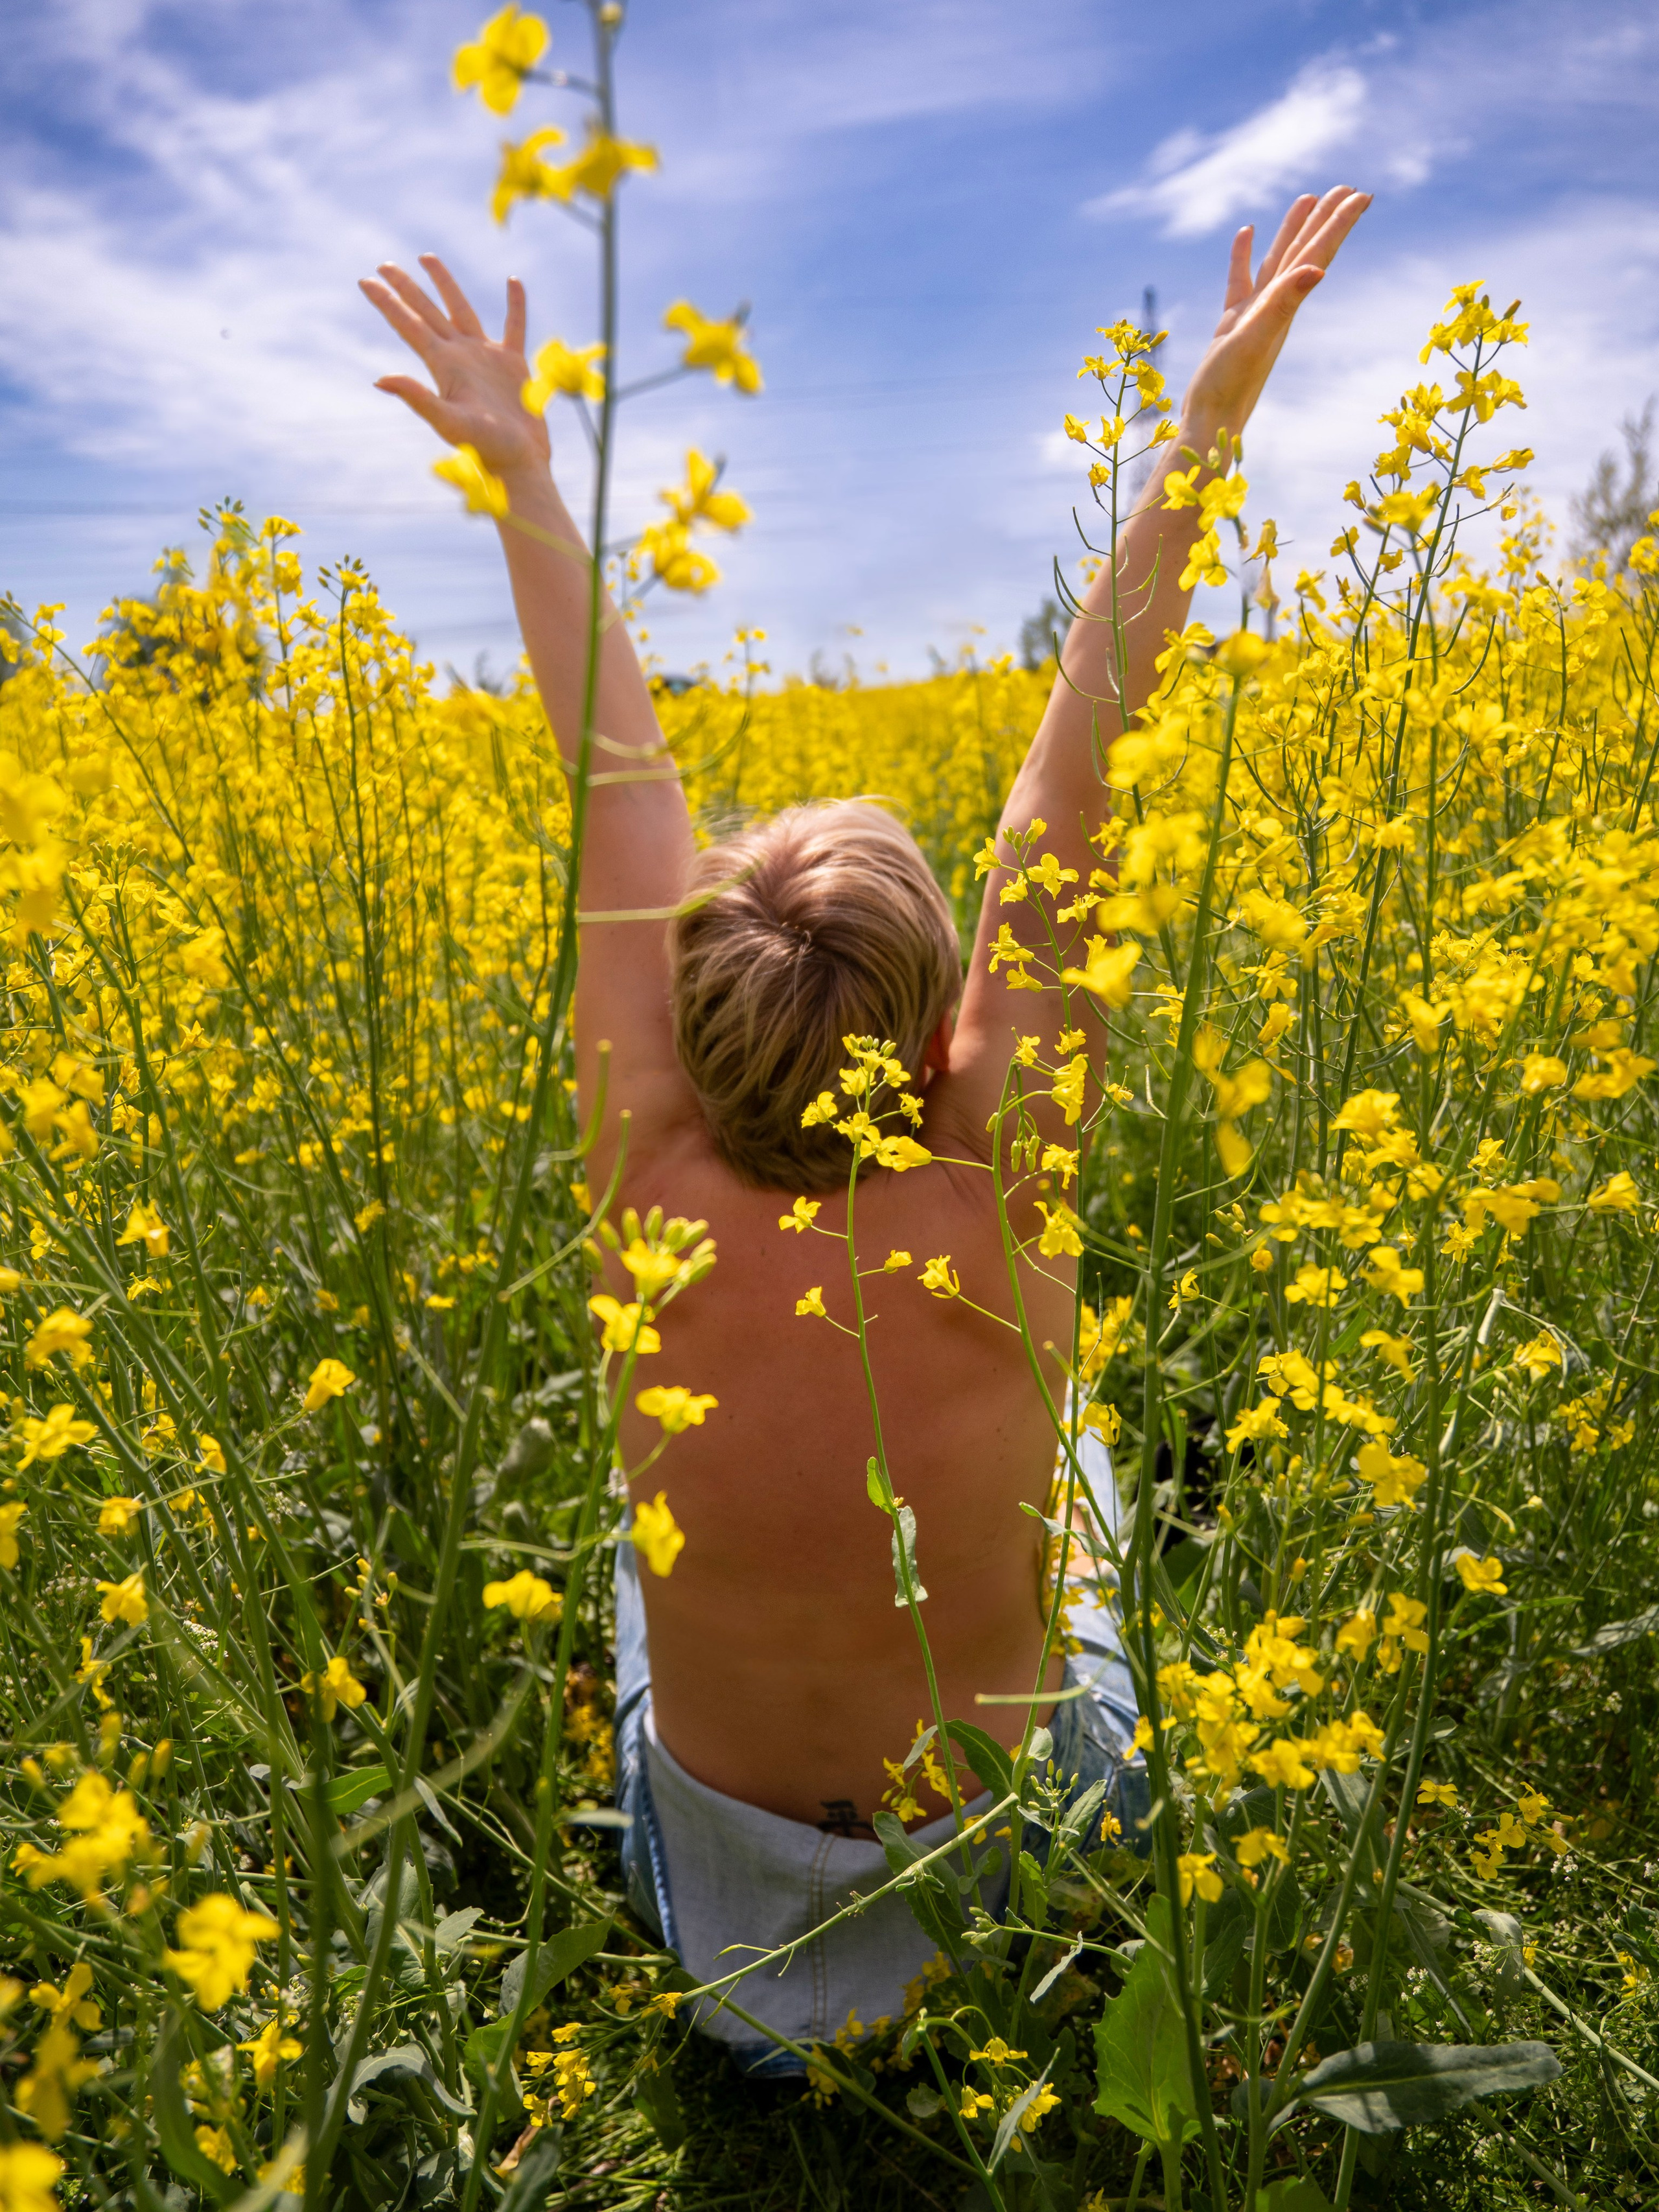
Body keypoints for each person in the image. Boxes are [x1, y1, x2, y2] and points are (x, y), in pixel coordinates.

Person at [360, 183, 1369, 2071]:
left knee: (627, 1514)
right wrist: (1201, 434)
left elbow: (611, 780)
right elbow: (1064, 840)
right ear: (937, 1027)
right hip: (1022, 1900)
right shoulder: (999, 1186)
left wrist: (520, 475)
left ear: (684, 1011)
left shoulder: (642, 1189)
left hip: (731, 1963)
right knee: (1079, 1490)